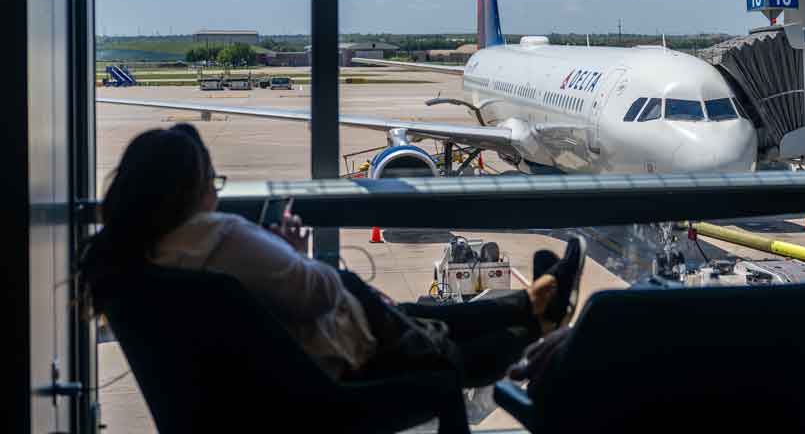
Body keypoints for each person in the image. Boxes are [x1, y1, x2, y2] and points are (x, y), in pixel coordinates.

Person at [80, 124, 585, 392]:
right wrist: (289, 252)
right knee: (434, 340)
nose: (216, 193)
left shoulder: (133, 258)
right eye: (213, 183)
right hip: (331, 370)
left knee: (421, 316)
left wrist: (283, 260)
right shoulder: (217, 235)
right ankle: (534, 322)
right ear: (191, 191)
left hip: (272, 381)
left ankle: (533, 306)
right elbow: (320, 293)